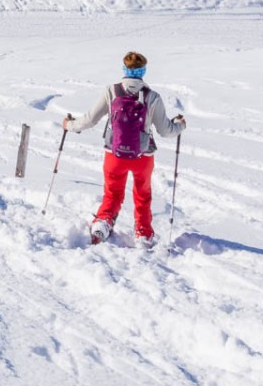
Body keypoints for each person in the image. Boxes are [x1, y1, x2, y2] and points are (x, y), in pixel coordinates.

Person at [62, 50, 185, 246]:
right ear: (143, 71)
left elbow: (90, 119)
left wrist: (69, 125)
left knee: (112, 192)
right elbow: (166, 130)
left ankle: (102, 224)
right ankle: (143, 233)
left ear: (124, 69)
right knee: (142, 194)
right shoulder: (152, 97)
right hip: (143, 157)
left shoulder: (111, 91)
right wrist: (180, 125)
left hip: (114, 154)